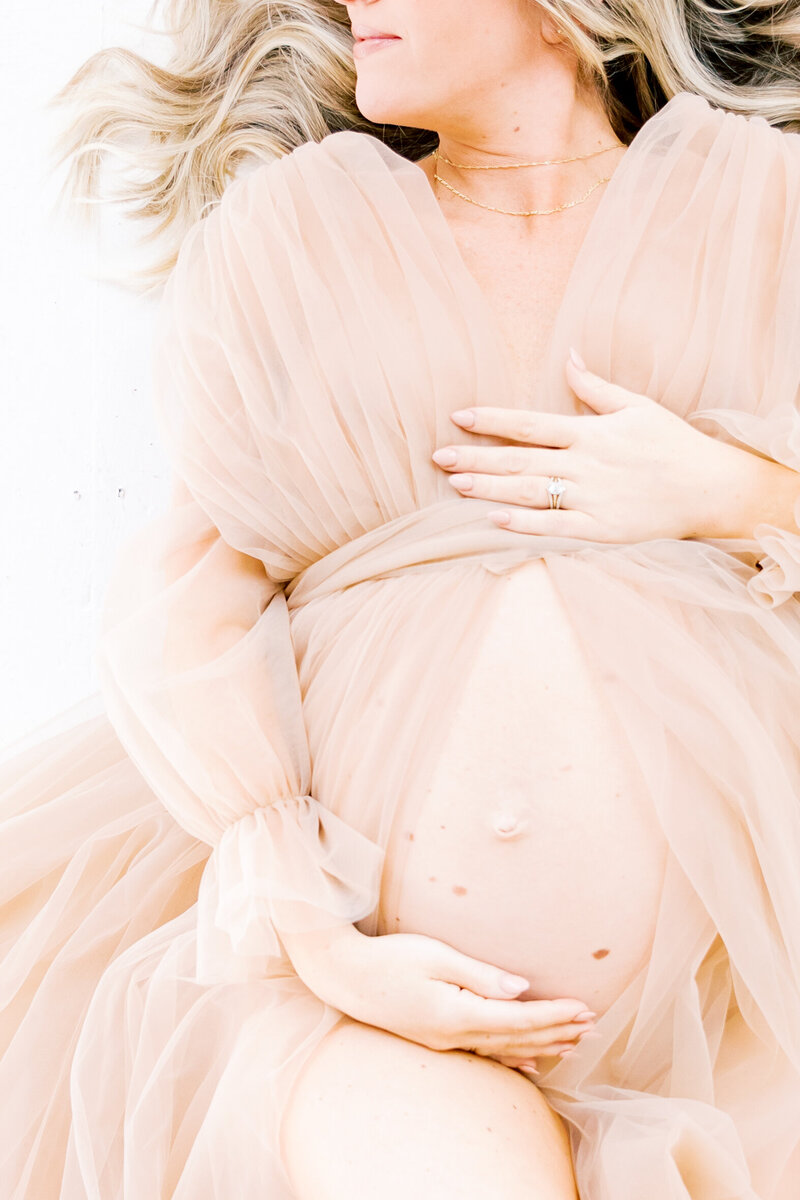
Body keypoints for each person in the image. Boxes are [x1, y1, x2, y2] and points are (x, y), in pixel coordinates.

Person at [3, 0, 800, 1196]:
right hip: (360, 1010)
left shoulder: (765, 212)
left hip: (744, 1015)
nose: (349, 3)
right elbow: (187, 594)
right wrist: (315, 939)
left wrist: (738, 487)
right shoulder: (295, 237)